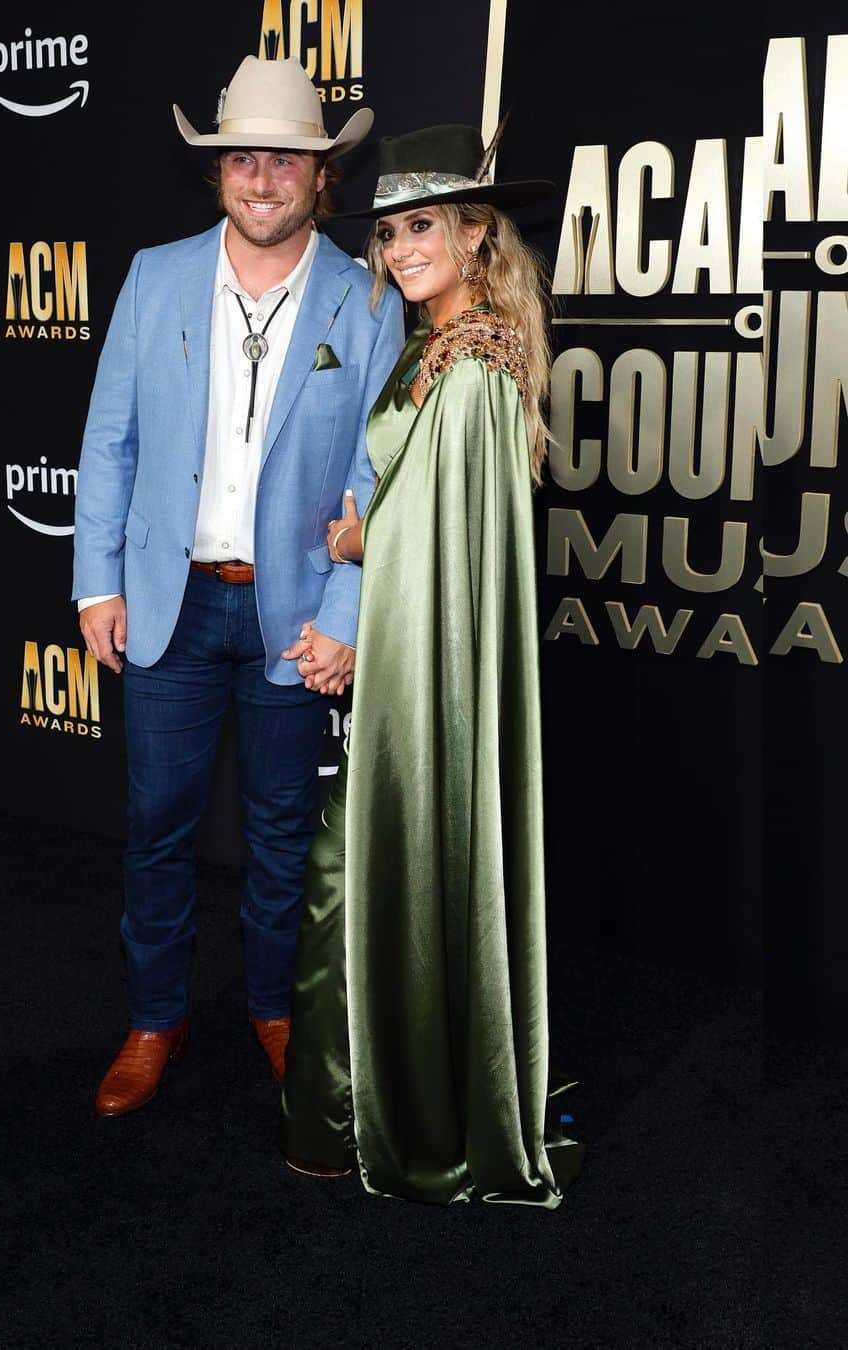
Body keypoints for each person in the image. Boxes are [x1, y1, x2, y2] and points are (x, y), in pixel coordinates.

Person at [72, 54, 405, 1116]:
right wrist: (96, 586)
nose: (263, 177)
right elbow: (109, 445)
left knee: (277, 833)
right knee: (159, 826)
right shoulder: (153, 276)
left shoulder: (368, 300)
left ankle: (277, 1012)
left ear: (323, 178)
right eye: (243, 157)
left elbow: (376, 476)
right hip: (168, 608)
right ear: (219, 168)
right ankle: (155, 1020)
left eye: (287, 161)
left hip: (292, 617)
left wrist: (347, 615)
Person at [278, 124, 583, 1203]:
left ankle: (366, 1122)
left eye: (423, 228)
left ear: (474, 234)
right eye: (390, 230)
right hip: (407, 672)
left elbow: (456, 545)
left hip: (424, 684)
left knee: (344, 886)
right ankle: (366, 1111)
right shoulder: (437, 344)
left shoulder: (475, 364)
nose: (400, 249)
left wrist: (367, 543)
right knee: (350, 885)